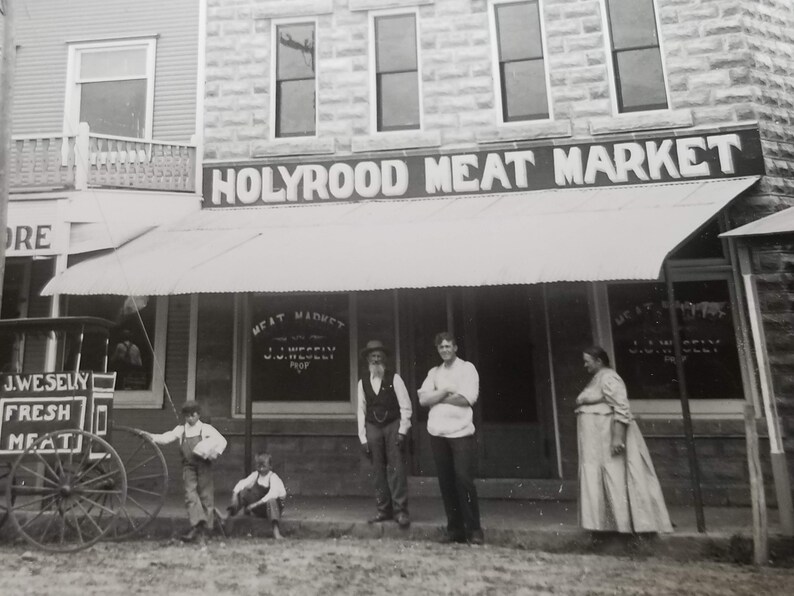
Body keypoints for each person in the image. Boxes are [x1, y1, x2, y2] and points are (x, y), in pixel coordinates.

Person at [576, 346, 673, 534]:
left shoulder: (609, 378)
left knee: (617, 476)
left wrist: (617, 438)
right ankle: (609, 525)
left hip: (610, 440)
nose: (585, 364)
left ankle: (631, 524)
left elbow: (621, 408)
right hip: (598, 445)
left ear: (599, 361)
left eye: (587, 360)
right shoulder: (598, 378)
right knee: (606, 478)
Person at [418, 332, 483, 545]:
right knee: (446, 482)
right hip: (437, 433)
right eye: (441, 347)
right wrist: (445, 391)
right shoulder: (434, 372)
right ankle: (455, 530)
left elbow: (467, 398)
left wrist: (436, 397)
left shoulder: (467, 369)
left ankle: (474, 530)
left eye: (448, 346)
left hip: (461, 432)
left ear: (455, 347)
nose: (445, 350)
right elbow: (423, 399)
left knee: (463, 479)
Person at [143, 402, 227, 542]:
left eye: (192, 415)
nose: (190, 419)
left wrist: (213, 452)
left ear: (198, 414)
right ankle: (197, 526)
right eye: (187, 416)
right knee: (190, 494)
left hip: (204, 465)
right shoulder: (181, 430)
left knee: (206, 495)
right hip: (189, 466)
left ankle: (207, 530)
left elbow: (222, 442)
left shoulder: (206, 429)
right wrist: (151, 436)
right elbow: (166, 437)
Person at [357, 339, 413, 527]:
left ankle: (401, 511)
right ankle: (383, 510)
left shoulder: (395, 379)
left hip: (392, 425)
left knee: (396, 469)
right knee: (377, 470)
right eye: (372, 356)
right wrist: (363, 437)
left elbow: (406, 406)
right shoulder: (362, 382)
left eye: (379, 356)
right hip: (372, 427)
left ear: (384, 359)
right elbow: (360, 410)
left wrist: (402, 431)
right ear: (367, 360)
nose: (376, 359)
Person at [227, 452, 287, 539]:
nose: (261, 469)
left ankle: (276, 531)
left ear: (270, 466)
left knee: (271, 501)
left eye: (264, 466)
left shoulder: (273, 477)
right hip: (260, 509)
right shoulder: (255, 475)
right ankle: (231, 513)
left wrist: (254, 505)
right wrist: (235, 494)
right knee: (244, 492)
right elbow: (242, 483)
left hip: (273, 510)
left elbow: (272, 494)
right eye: (259, 466)